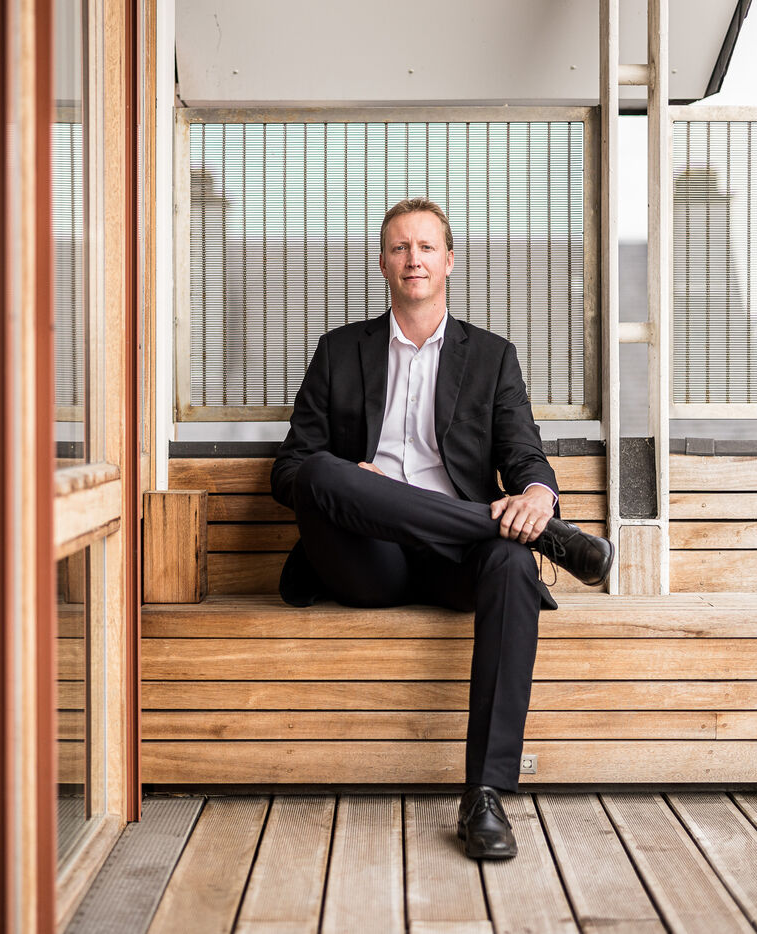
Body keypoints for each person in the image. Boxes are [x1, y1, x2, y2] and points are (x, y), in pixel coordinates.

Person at [271, 197, 611, 860]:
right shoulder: (340, 351)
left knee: (511, 563)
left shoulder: (490, 356)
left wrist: (537, 495)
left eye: (426, 246)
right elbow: (289, 472)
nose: (413, 259)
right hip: (368, 557)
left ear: (449, 261)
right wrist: (358, 480)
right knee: (320, 471)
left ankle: (485, 794)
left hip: (457, 560)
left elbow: (523, 453)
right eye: (400, 247)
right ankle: (543, 538)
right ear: (383, 264)